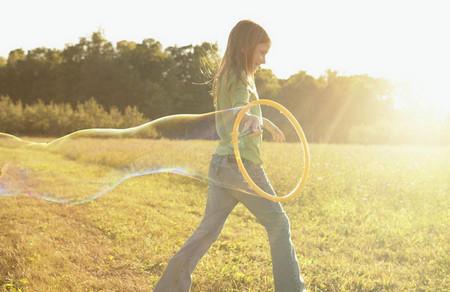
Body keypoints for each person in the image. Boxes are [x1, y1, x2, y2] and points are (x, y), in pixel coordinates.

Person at [153, 19, 306, 292]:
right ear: (247, 49)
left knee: (207, 232)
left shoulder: (227, 75)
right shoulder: (240, 79)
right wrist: (251, 121)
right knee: (279, 224)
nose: (264, 61)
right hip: (241, 166)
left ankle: (168, 288)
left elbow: (236, 113)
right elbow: (239, 112)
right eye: (262, 53)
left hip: (221, 164)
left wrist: (266, 124)